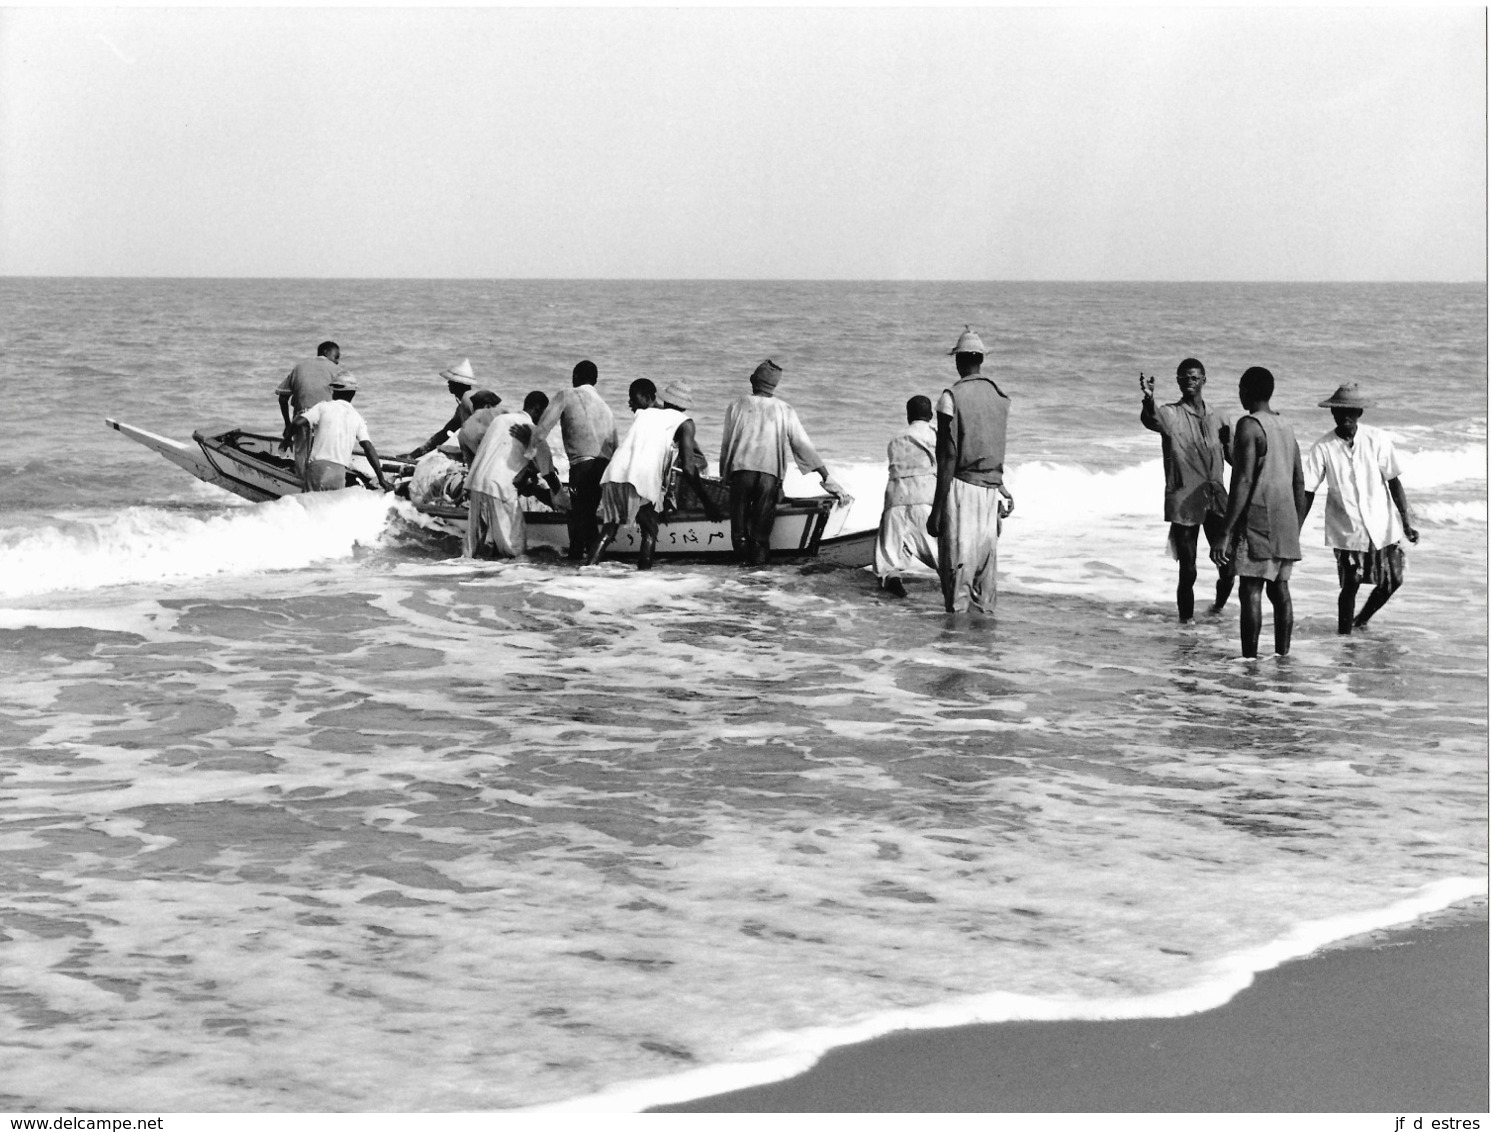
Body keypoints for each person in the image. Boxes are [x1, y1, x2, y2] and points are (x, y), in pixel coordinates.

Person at [1299, 382, 1420, 634]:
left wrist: (1405, 521)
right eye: (1339, 412)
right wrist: (1295, 528)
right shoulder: (1323, 447)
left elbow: (1394, 481)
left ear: (1359, 413)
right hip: (1346, 527)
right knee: (1351, 582)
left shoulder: (1376, 439)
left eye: (1350, 412)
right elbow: (1308, 490)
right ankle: (1344, 637)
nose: (1345, 416)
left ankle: (1361, 620)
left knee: (1392, 580)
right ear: (1332, 413)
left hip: (1381, 524)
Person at [1209, 366, 1306, 659]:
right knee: (1280, 591)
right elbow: (1299, 481)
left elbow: (1244, 480)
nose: (1239, 393)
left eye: (1240, 388)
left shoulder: (1249, 425)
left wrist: (1224, 532)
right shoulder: (1286, 427)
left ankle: (1250, 663)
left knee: (1250, 589)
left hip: (1258, 517)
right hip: (1285, 518)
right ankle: (1282, 657)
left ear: (1247, 391)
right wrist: (1295, 524)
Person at [718, 360, 844, 566]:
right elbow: (802, 444)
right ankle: (760, 577)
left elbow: (727, 444)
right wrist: (825, 475)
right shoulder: (784, 409)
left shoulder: (737, 405)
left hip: (742, 473)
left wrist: (725, 476)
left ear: (752, 380)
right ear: (773, 387)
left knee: (739, 534)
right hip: (768, 476)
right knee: (760, 536)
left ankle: (740, 579)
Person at [1140, 358, 1235, 621]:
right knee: (1188, 569)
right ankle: (1186, 623)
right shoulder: (1171, 414)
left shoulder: (1220, 417)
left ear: (1204, 380)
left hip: (1215, 497)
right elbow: (1152, 419)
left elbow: (1235, 459)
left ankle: (1217, 609)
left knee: (1228, 566)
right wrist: (1149, 400)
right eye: (1183, 378)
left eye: (1194, 377)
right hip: (1183, 499)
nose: (1189, 382)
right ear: (1178, 382)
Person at [927, 327, 1014, 615]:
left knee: (957, 570)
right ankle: (982, 644)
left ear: (958, 361)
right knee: (984, 573)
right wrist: (1001, 486)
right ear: (981, 360)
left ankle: (955, 642)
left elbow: (948, 456)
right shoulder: (1000, 396)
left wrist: (937, 510)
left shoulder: (951, 397)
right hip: (990, 491)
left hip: (961, 489)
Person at [588, 379, 713, 570]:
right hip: (640, 479)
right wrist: (707, 502)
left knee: (609, 529)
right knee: (650, 530)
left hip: (613, 473)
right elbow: (688, 467)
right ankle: (644, 577)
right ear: (685, 406)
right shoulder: (685, 423)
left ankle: (586, 569)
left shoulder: (645, 413)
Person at [514, 359, 618, 560]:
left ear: (575, 377)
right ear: (595, 381)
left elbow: (543, 427)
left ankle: (595, 565)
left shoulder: (567, 394)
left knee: (582, 520)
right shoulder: (606, 408)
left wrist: (529, 452)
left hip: (582, 467)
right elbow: (615, 446)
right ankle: (578, 562)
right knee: (583, 518)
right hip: (604, 467)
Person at [464, 391, 556, 560]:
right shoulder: (533, 429)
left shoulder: (500, 420)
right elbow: (547, 470)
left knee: (471, 552)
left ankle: (464, 580)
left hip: (477, 483)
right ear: (538, 411)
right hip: (500, 487)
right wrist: (560, 499)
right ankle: (511, 583)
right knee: (516, 553)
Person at [874, 395, 940, 598]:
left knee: (888, 558)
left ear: (908, 415)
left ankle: (895, 584)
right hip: (925, 497)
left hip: (895, 498)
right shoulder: (936, 434)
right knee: (943, 557)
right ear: (930, 414)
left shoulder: (895, 438)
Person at [290, 374, 391, 494]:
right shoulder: (357, 418)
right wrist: (381, 479)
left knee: (309, 508)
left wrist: (287, 438)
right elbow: (368, 447)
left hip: (318, 470)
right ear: (353, 393)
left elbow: (298, 422)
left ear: (334, 391)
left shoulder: (323, 407)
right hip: (339, 475)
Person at [403, 359, 499, 460]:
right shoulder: (464, 404)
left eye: (451, 381)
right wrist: (414, 455)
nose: (448, 383)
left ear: (459, 384)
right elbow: (444, 433)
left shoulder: (467, 399)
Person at [277, 341, 345, 478]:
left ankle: (301, 482)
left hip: (301, 418)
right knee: (324, 456)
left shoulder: (299, 367)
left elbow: (283, 398)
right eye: (336, 357)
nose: (337, 362)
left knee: (302, 456)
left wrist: (288, 425)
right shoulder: (337, 370)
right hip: (326, 418)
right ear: (326, 352)